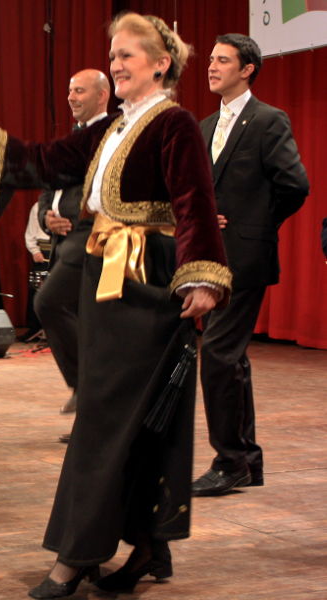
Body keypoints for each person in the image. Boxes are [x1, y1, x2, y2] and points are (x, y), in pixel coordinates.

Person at [0, 13, 231, 597]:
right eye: (113, 55)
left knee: (107, 419)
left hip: (144, 279)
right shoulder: (114, 125)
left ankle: (76, 555)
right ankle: (148, 543)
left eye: (127, 55)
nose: (116, 64)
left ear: (161, 64)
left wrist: (202, 278)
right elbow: (46, 162)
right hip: (105, 277)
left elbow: (195, 201)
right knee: (130, 419)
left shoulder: (172, 123)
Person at [192, 34, 309, 496]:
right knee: (230, 358)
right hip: (208, 258)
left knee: (219, 356)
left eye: (223, 60)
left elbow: (294, 185)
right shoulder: (204, 126)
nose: (211, 66)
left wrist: (253, 224)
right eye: (211, 58)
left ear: (247, 70)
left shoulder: (267, 120)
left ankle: (231, 460)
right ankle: (246, 461)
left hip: (245, 255)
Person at [34, 69, 110, 437]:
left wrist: (74, 217)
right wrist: (47, 217)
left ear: (102, 95)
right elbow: (47, 191)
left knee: (49, 303)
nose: (71, 97)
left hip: (91, 238)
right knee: (82, 324)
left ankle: (86, 387)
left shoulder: (110, 135)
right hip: (64, 241)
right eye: (69, 90)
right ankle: (89, 415)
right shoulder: (70, 139)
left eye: (80, 90)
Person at [22, 201, 50, 340]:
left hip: (60, 249)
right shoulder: (38, 206)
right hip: (42, 251)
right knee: (36, 290)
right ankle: (35, 328)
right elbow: (31, 231)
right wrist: (35, 250)